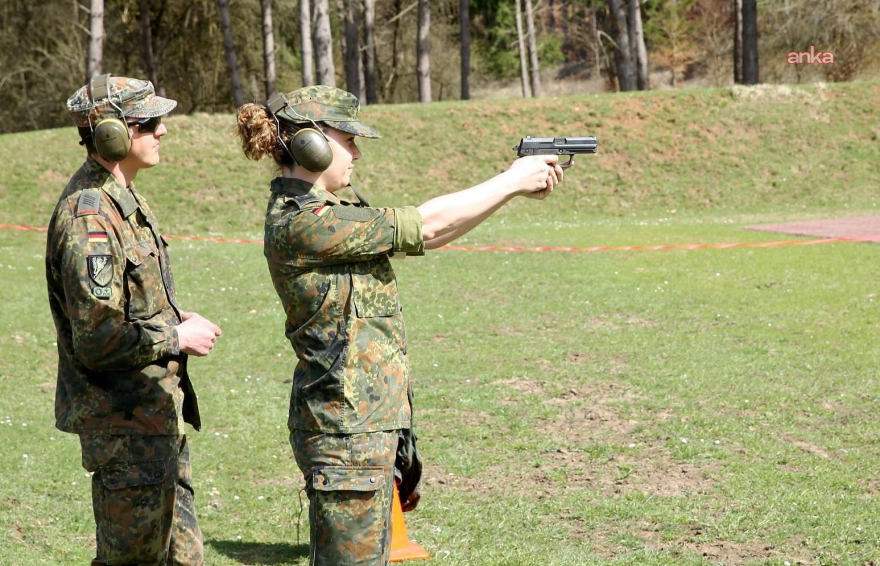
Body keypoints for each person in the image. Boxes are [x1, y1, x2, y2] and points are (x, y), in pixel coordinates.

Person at [235, 85, 563, 566]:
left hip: (363, 423)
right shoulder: (304, 222)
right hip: (345, 431)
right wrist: (510, 179)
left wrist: (510, 191)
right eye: (347, 139)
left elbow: (434, 235)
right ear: (312, 142)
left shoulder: (327, 214)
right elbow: (426, 224)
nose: (357, 152)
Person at [45, 74, 222, 566]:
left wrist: (169, 314)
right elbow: (97, 338)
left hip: (153, 421)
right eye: (149, 122)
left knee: (183, 558)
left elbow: (126, 302)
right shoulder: (91, 219)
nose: (163, 131)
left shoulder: (126, 199)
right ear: (111, 136)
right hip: (124, 432)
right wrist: (175, 336)